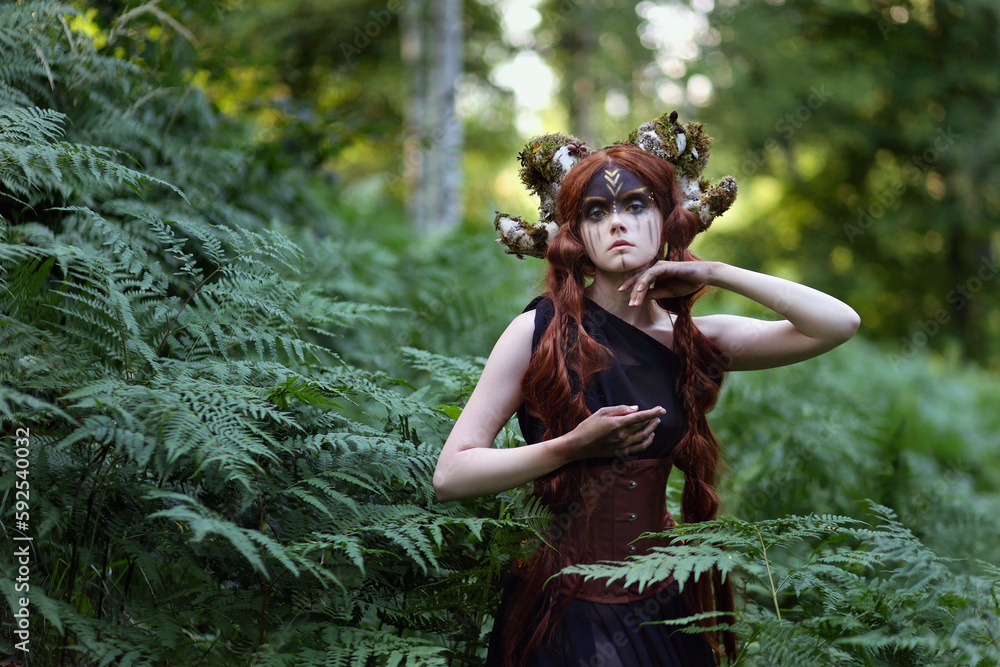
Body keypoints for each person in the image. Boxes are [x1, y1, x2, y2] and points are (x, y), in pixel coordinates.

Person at [433, 143, 860, 666]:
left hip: (662, 605)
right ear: (576, 237)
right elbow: (450, 476)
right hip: (563, 607)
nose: (618, 223)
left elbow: (840, 324)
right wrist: (570, 447)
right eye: (597, 211)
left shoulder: (695, 341)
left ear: (665, 220)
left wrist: (716, 272)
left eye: (636, 206)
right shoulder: (536, 334)